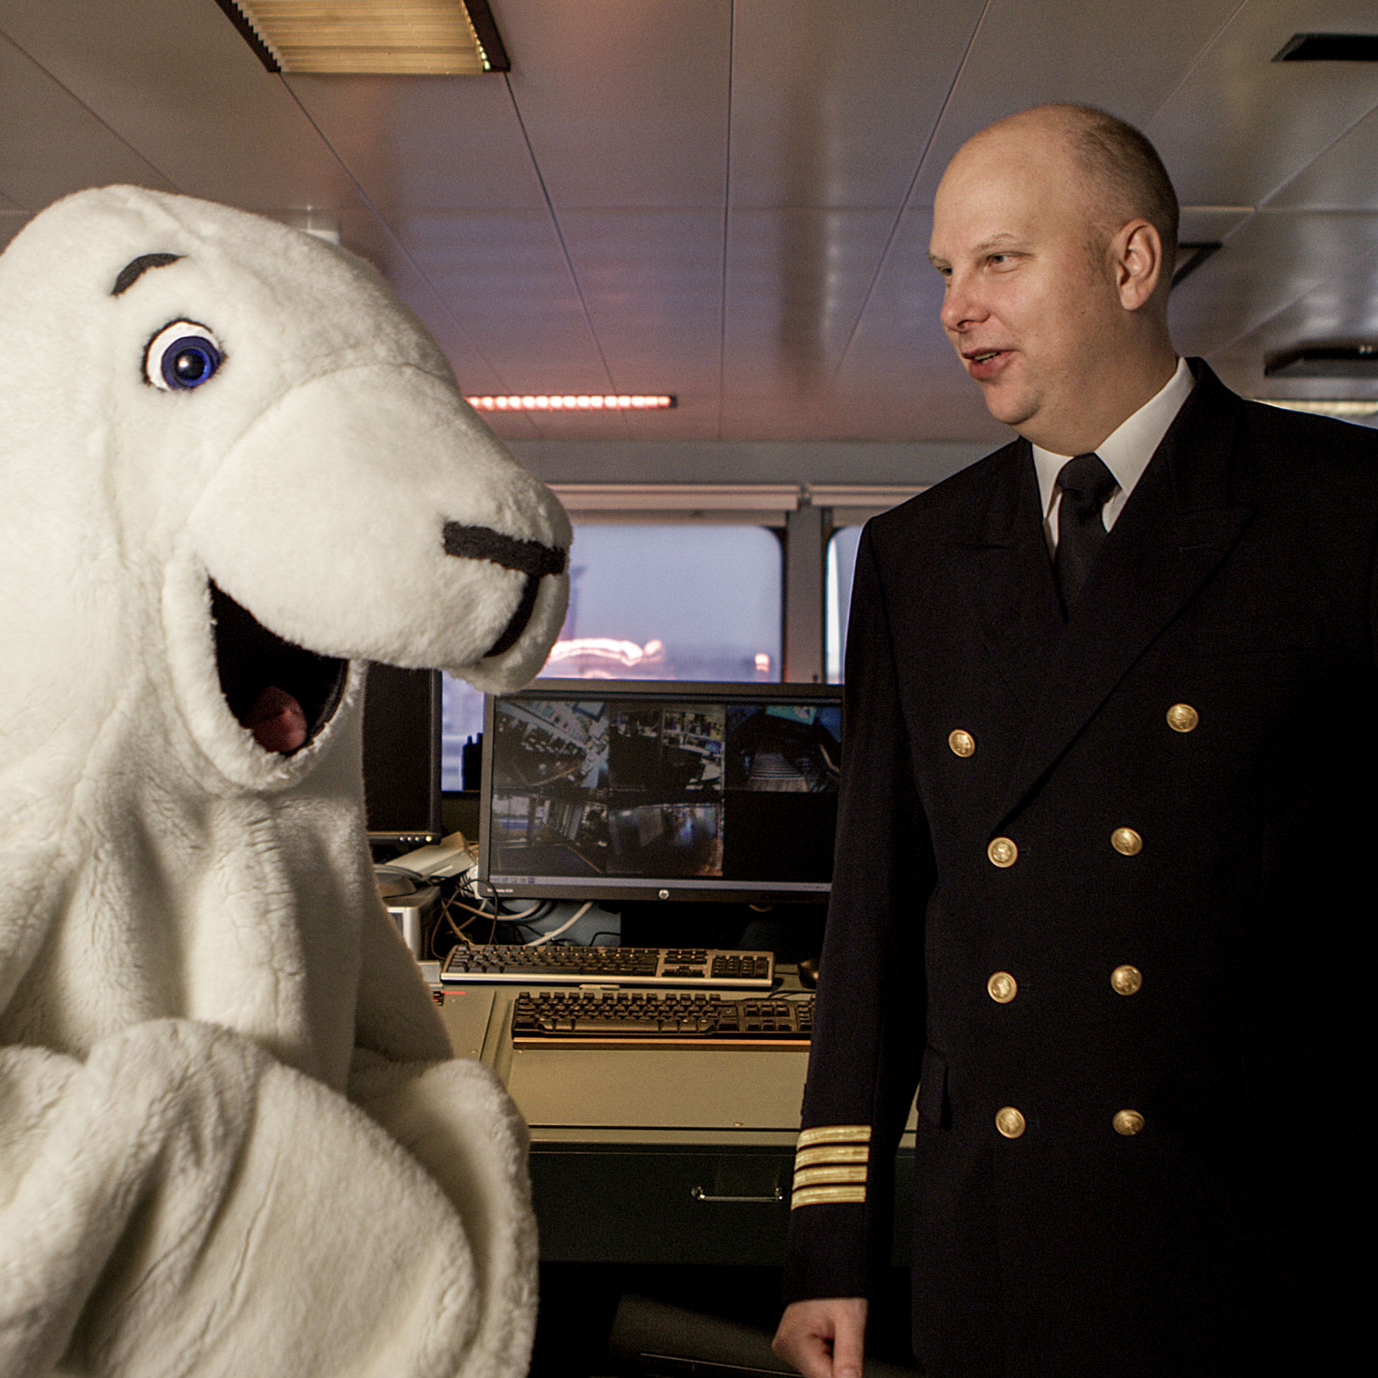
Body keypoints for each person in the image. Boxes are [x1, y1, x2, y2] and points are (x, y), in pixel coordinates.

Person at [772, 103, 1377, 1378]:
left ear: (1130, 263)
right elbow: (876, 914)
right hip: (997, 1239)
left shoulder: (1336, 515)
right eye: (946, 272)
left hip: (1261, 1241)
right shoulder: (914, 557)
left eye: (999, 259)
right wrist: (833, 1240)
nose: (955, 307)